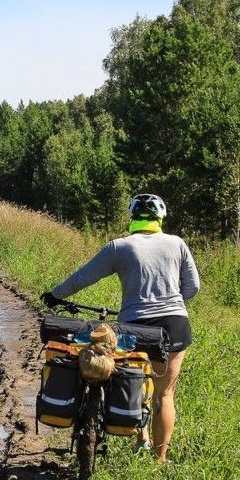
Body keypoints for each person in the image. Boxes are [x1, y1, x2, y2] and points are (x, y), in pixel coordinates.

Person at [41, 194, 200, 463]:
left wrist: (55, 295)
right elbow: (193, 287)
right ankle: (160, 459)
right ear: (160, 218)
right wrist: (173, 303)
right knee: (165, 393)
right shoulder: (177, 244)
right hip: (174, 323)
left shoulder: (120, 247)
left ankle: (142, 440)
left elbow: (83, 277)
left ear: (132, 218)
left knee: (136, 379)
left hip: (134, 326)